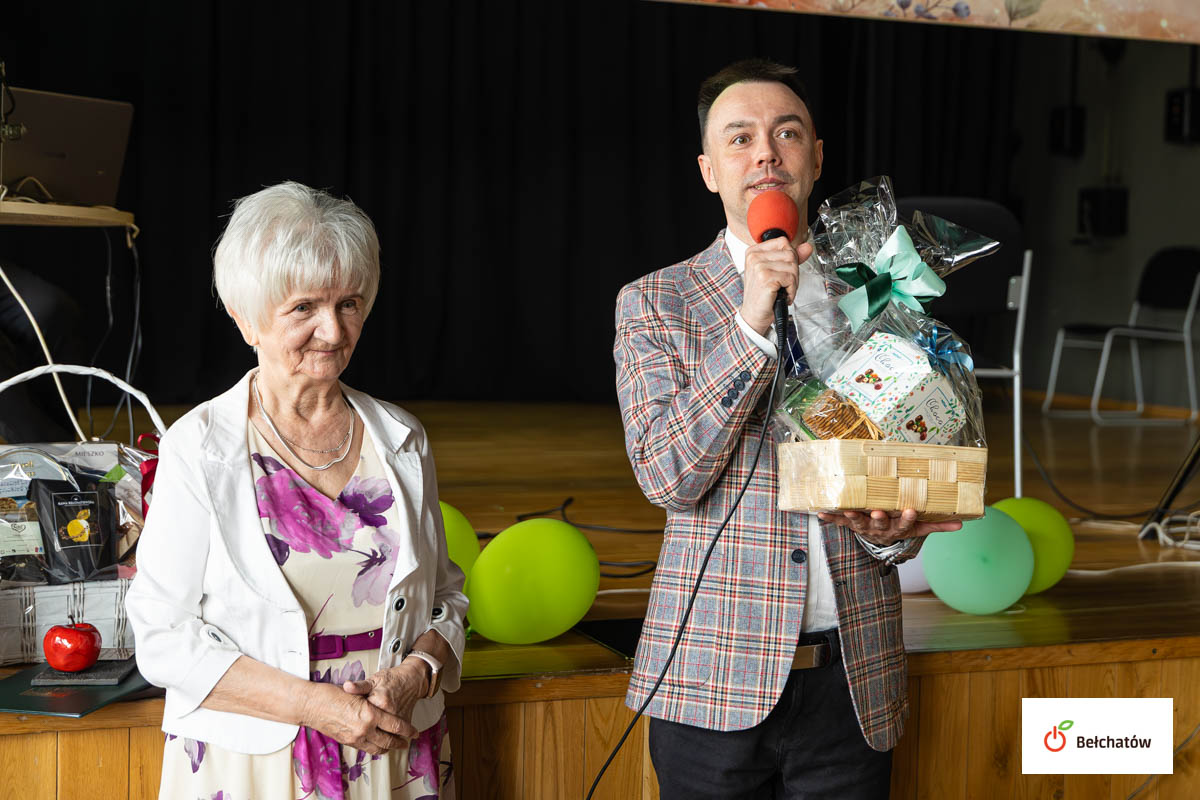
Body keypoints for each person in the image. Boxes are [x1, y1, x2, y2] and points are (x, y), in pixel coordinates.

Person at [613, 59, 962, 798]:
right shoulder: (655, 301)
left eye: (788, 133)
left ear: (817, 157)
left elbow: (903, 468)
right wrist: (750, 322)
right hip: (711, 682)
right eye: (740, 138)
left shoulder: (875, 294)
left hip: (853, 685)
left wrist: (894, 530)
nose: (766, 154)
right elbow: (668, 476)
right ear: (710, 170)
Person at [126, 182, 466, 799]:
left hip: (393, 751)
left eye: (349, 303)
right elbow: (161, 636)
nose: (332, 331)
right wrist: (315, 706)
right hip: (256, 763)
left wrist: (418, 673)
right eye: (304, 307)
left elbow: (446, 596)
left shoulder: (403, 438)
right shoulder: (198, 448)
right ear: (246, 318)